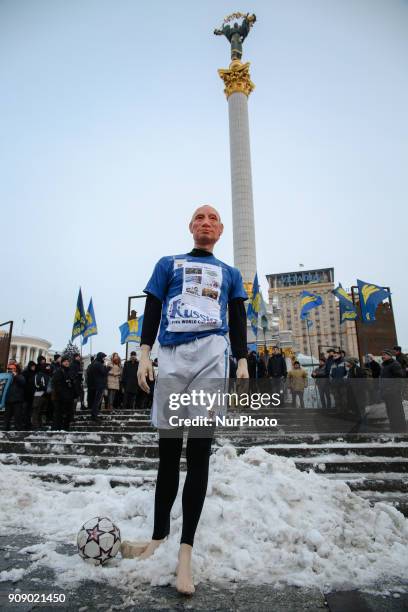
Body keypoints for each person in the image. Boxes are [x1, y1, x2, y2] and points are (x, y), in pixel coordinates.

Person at [122, 205, 248, 596]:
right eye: (199, 218)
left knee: (199, 453)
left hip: (212, 353)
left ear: (222, 229)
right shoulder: (168, 263)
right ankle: (159, 534)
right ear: (190, 227)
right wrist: (144, 353)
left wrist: (242, 358)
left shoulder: (229, 272)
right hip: (173, 356)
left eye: (212, 218)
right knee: (168, 453)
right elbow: (153, 308)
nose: (205, 223)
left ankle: (186, 550)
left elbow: (238, 315)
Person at [380, 349, 406, 433]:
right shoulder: (384, 366)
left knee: (397, 411)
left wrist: (394, 389)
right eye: (382, 355)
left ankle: (400, 428)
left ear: (390, 355)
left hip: (393, 392)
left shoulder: (394, 364)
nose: (383, 356)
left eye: (384, 355)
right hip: (387, 392)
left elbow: (399, 377)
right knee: (390, 411)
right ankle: (394, 427)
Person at [52, 354, 77, 430]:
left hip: (69, 397)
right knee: (59, 414)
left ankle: (66, 428)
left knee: (68, 414)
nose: (66, 363)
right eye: (65, 361)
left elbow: (72, 384)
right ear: (62, 363)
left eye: (67, 361)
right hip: (60, 397)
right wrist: (62, 394)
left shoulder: (69, 371)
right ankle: (57, 428)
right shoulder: (58, 371)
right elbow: (57, 384)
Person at [344, 357, 367, 430]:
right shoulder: (351, 370)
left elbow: (361, 381)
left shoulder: (357, 369)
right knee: (355, 408)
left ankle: (363, 423)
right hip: (353, 392)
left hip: (358, 393)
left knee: (359, 407)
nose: (346, 363)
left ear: (351, 363)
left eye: (347, 362)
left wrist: (357, 389)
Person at [86, 352, 110, 420]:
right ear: (100, 357)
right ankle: (94, 415)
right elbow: (104, 372)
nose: (104, 359)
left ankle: (94, 414)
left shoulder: (93, 363)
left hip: (94, 385)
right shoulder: (98, 364)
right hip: (99, 385)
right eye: (103, 357)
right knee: (96, 401)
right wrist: (108, 367)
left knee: (95, 401)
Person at [4, 363, 25, 431]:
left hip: (17, 400)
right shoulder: (6, 376)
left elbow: (23, 383)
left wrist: (16, 376)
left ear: (16, 369)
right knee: (7, 417)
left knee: (17, 417)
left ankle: (18, 430)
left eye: (12, 369)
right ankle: (5, 430)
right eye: (9, 369)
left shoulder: (20, 376)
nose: (10, 370)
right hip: (8, 400)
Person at [32, 358, 51, 430]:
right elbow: (36, 384)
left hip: (45, 395)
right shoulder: (39, 375)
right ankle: (35, 425)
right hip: (38, 395)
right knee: (36, 411)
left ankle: (40, 425)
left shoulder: (48, 375)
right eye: (47, 367)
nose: (49, 368)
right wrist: (44, 388)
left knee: (41, 411)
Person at [22, 360, 36, 429]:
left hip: (31, 395)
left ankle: (28, 423)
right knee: (25, 410)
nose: (34, 368)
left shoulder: (34, 374)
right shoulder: (25, 373)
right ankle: (25, 423)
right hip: (25, 395)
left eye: (34, 366)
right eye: (33, 366)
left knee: (29, 410)